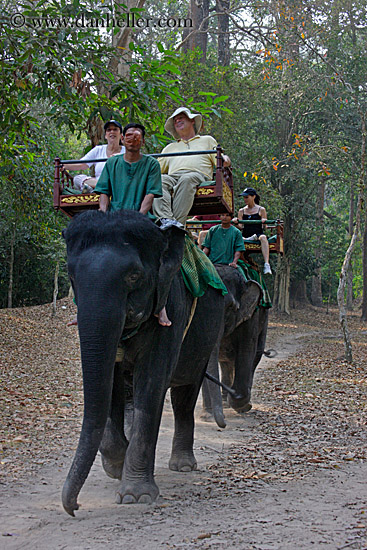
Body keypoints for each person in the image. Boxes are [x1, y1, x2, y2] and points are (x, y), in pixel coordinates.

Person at [152, 107, 231, 224]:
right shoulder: (169, 148)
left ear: (192, 120)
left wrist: (225, 159)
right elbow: (156, 169)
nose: (177, 121)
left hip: (197, 175)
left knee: (186, 179)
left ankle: (177, 223)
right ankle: (166, 220)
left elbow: (221, 159)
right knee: (160, 181)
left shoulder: (207, 140)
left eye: (181, 118)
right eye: (175, 120)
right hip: (173, 177)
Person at [62, 120, 125, 193]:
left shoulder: (127, 151)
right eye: (109, 130)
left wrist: (121, 158)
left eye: (115, 129)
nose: (112, 132)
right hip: (99, 183)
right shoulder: (98, 149)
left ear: (121, 135)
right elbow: (82, 164)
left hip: (118, 185)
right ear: (105, 135)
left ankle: (96, 189)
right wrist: (63, 165)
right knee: (77, 178)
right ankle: (100, 188)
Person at [233, 187, 272, 275]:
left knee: (263, 237)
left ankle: (266, 264)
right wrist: (236, 223)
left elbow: (265, 227)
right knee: (238, 238)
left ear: (253, 197)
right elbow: (240, 227)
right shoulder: (242, 210)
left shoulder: (261, 209)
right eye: (244, 197)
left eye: (247, 197)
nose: (245, 199)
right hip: (246, 234)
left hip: (257, 234)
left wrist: (264, 222)